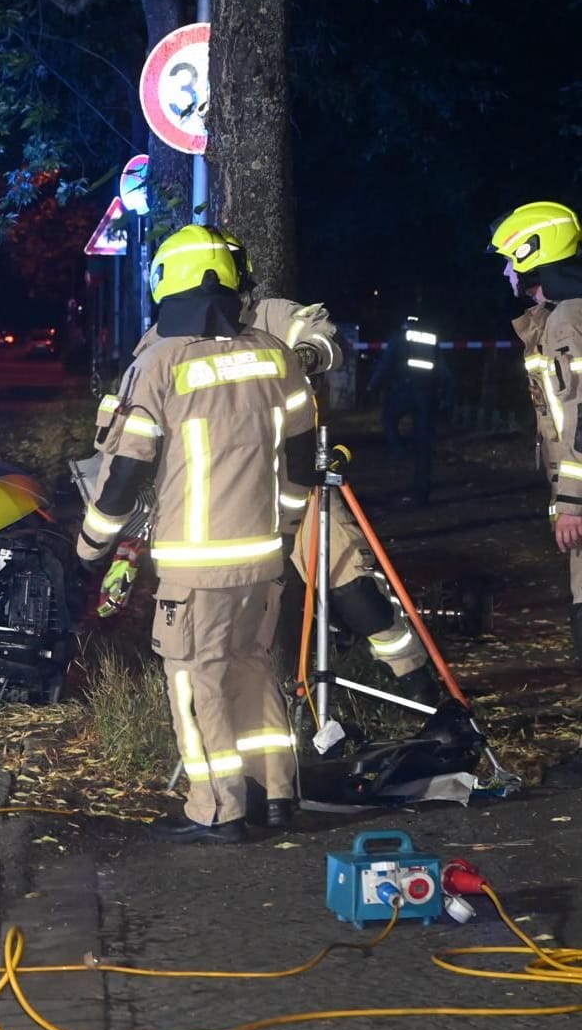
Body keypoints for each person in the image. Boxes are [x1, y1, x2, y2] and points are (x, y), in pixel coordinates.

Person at [85, 232, 438, 701]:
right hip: (207, 499)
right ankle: (235, 703)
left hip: (287, 482)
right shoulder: (159, 341)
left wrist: (299, 360)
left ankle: (415, 683)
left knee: (343, 569)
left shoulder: (267, 317)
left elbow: (324, 340)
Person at [78, 225, 318, 842]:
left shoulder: (158, 364)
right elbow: (302, 456)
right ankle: (277, 797)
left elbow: (125, 471)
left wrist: (91, 545)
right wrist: (286, 527)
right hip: (264, 558)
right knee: (253, 668)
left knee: (196, 681)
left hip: (195, 567)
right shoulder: (274, 355)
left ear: (169, 284)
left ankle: (219, 810)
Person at [490, 201, 582, 662]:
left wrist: (571, 502)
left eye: (512, 260)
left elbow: (578, 415)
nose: (508, 271)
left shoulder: (568, 320)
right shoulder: (561, 315)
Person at [364, 313, 445, 506]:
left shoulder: (399, 338)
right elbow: (443, 368)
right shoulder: (431, 339)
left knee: (389, 419)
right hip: (426, 395)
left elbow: (385, 366)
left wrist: (371, 387)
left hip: (404, 391)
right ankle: (421, 493)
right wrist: (444, 396)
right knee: (423, 444)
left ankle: (399, 451)